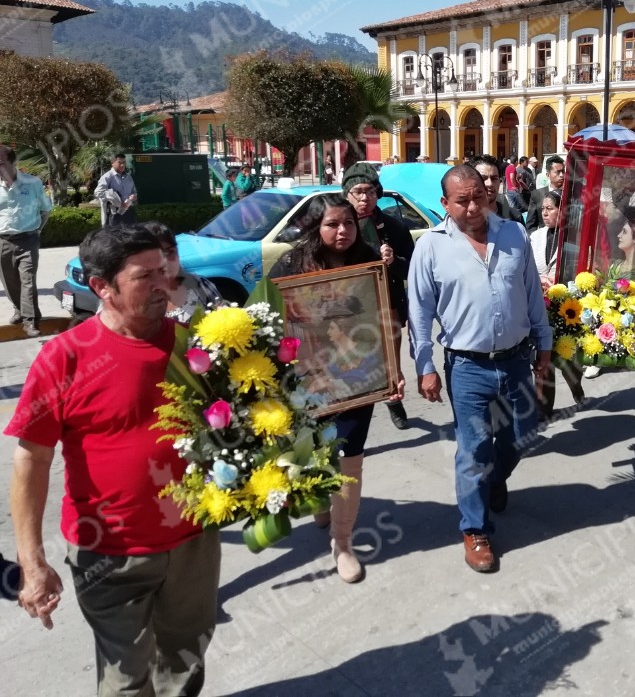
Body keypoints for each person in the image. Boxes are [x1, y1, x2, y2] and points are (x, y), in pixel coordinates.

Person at [5, 225, 221, 694]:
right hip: (109, 551)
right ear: (101, 286)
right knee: (125, 681)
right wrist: (32, 562)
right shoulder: (64, 358)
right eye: (145, 278)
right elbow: (31, 463)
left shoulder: (193, 345)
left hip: (193, 542)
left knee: (186, 663)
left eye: (164, 271)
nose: (163, 285)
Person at [408, 165, 552, 572]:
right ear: (445, 204)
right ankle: (475, 529)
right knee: (473, 450)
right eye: (462, 200)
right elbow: (419, 314)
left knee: (521, 438)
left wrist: (544, 344)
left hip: (516, 360)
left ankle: (492, 480)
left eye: (478, 197)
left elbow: (530, 295)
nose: (473, 207)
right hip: (467, 367)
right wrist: (425, 366)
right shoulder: (430, 247)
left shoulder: (513, 234)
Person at [268, 194, 404, 582]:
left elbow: (388, 315)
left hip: (359, 376)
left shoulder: (370, 264)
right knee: (312, 450)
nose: (342, 231)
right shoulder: (292, 264)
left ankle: (342, 543)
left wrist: (393, 368)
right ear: (315, 227)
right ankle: (319, 502)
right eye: (332, 224)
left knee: (348, 457)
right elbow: (271, 315)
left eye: (347, 222)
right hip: (309, 377)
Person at [341, 162, 414, 431]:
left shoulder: (393, 227)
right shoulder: (334, 225)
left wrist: (394, 261)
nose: (364, 197)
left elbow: (412, 269)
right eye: (358, 191)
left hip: (386, 306)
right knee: (349, 366)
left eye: (370, 191)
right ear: (346, 193)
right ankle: (348, 417)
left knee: (389, 363)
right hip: (346, 311)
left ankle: (394, 400)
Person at [531, 190, 585, 417]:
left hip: (565, 306)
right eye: (543, 208)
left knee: (567, 355)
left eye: (550, 208)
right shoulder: (534, 236)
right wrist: (538, 280)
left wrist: (558, 283)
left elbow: (581, 269)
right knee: (545, 357)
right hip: (538, 305)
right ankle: (544, 408)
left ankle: (575, 384)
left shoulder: (573, 238)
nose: (545, 213)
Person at [0, 146, 52, 337]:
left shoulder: (32, 183)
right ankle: (19, 310)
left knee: (27, 280)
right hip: (2, 241)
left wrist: (37, 230)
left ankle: (31, 321)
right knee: (9, 281)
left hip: (27, 239)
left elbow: (46, 209)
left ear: (13, 163)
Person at [142, 221, 221, 326]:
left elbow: (224, 320)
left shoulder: (201, 285)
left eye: (169, 252)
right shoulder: (138, 299)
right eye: (155, 255)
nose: (164, 261)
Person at [471, 156, 523, 224]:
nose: (489, 184)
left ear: (499, 181)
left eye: (494, 178)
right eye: (483, 178)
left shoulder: (515, 218)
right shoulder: (462, 218)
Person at [94, 154, 138, 226]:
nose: (122, 165)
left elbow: (134, 192)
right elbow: (97, 192)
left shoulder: (128, 177)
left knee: (132, 235)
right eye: (119, 163)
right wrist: (117, 201)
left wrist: (133, 197)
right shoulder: (107, 177)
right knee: (115, 236)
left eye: (123, 163)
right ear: (112, 163)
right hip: (114, 213)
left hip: (129, 212)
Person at [526, 155, 565, 232]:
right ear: (548, 175)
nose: (562, 175)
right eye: (557, 172)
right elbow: (530, 225)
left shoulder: (570, 194)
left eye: (563, 171)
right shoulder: (537, 194)